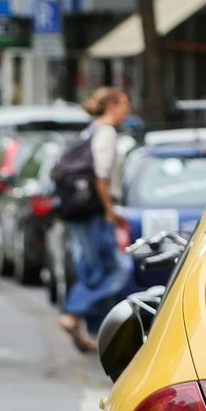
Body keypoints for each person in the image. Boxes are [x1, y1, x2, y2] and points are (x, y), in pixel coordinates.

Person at [59, 87, 133, 352]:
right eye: (125, 105)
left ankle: (93, 334)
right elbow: (100, 177)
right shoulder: (107, 133)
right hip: (94, 210)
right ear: (113, 105)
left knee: (91, 270)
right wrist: (110, 210)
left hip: (81, 209)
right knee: (116, 271)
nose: (128, 111)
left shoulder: (90, 130)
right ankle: (72, 313)